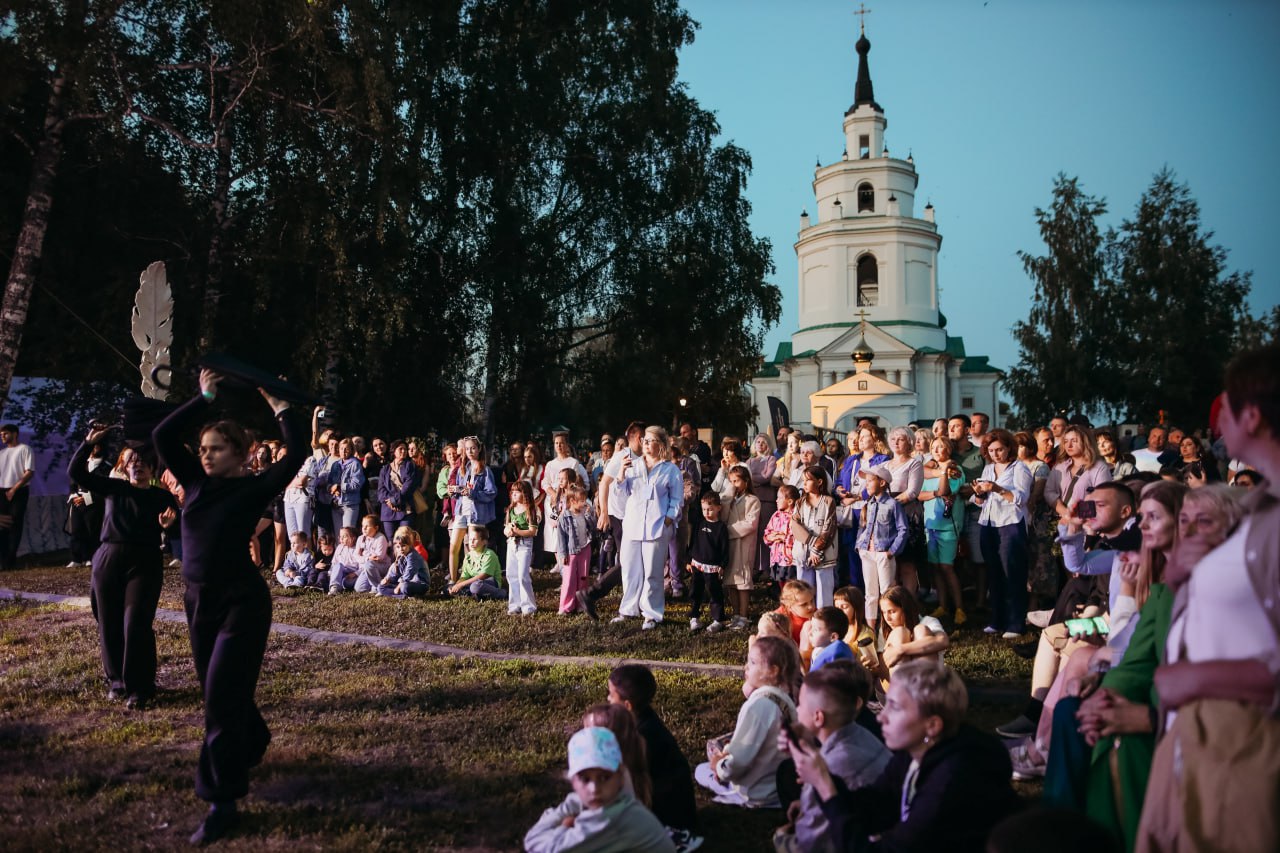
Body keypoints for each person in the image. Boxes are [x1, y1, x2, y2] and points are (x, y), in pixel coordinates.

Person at [1136, 345, 1280, 853]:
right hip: (1193, 731)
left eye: (1226, 403)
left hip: (1245, 736)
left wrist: (1196, 677)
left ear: (1253, 416)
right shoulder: (1253, 510)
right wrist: (1179, 580)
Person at [152, 368, 304, 844]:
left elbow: (295, 452)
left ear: (239, 454)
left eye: (216, 447)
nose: (205, 454)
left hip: (242, 602)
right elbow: (161, 434)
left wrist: (279, 407)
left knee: (218, 698)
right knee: (222, 691)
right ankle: (253, 737)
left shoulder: (252, 487)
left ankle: (221, 800)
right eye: (203, 448)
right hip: (198, 602)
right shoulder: (194, 483)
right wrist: (204, 398)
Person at [788, 660, 1020, 852]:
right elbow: (876, 806)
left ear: (932, 725)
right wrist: (824, 783)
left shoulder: (951, 782)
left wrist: (825, 787)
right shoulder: (913, 754)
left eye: (895, 708)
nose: (881, 718)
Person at [68, 429, 178, 709]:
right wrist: (88, 444)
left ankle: (140, 687)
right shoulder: (114, 488)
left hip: (145, 561)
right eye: (132, 460)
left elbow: (178, 529)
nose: (137, 463)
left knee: (136, 623)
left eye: (143, 460)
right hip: (109, 558)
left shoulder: (161, 498)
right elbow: (77, 473)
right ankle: (117, 682)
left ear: (152, 468)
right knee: (109, 622)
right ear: (124, 467)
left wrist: (168, 527)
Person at [773, 663, 892, 853]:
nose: (797, 707)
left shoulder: (832, 765)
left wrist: (782, 838)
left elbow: (810, 844)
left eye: (802, 704)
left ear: (818, 717)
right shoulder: (862, 735)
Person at [524, 726, 675, 853]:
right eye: (585, 779)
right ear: (573, 782)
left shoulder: (612, 819)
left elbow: (535, 843)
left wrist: (563, 825)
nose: (594, 788)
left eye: (604, 778)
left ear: (620, 777)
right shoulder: (621, 801)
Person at [694, 636, 800, 808]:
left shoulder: (758, 706)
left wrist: (719, 766)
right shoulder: (785, 699)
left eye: (752, 662)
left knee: (701, 771)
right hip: (778, 783)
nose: (746, 667)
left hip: (758, 792)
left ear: (773, 671)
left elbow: (740, 761)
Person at [607, 664, 700, 850]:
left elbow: (634, 784)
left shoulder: (644, 737)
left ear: (627, 705)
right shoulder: (642, 718)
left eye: (611, 695)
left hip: (667, 815)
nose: (608, 699)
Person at [612, 426, 682, 630]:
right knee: (630, 570)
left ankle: (652, 613)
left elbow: (677, 500)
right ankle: (628, 609)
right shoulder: (632, 466)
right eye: (645, 440)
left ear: (661, 444)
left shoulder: (670, 469)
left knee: (653, 572)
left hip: (656, 527)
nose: (646, 444)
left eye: (651, 440)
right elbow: (620, 494)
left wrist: (667, 520)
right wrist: (621, 473)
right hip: (633, 525)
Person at [971, 429, 1034, 638]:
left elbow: (1021, 498)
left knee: (1013, 574)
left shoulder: (1020, 469)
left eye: (999, 450)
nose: (996, 454)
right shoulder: (988, 469)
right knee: (993, 573)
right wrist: (979, 494)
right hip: (988, 523)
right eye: (991, 450)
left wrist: (997, 488)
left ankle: (1016, 623)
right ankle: (997, 620)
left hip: (1010, 523)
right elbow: (980, 502)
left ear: (1009, 448)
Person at [855, 465, 907, 633]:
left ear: (882, 482)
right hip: (867, 553)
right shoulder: (869, 504)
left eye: (871, 481)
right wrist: (859, 546)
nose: (867, 484)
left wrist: (892, 551)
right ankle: (871, 628)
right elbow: (862, 527)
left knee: (886, 592)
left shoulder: (892, 504)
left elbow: (903, 529)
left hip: (884, 554)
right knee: (870, 593)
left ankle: (888, 628)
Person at [919, 437, 966, 624]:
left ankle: (960, 608)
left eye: (941, 447)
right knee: (936, 568)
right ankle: (943, 605)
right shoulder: (928, 471)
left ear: (949, 449)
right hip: (930, 526)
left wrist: (944, 472)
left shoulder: (956, 470)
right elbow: (920, 495)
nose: (937, 450)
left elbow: (946, 491)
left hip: (948, 526)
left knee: (947, 567)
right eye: (934, 447)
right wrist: (935, 493)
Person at [877, 586, 949, 683]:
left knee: (920, 630)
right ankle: (903, 693)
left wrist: (900, 649)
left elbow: (943, 641)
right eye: (883, 612)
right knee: (900, 633)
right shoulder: (885, 630)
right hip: (893, 688)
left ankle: (925, 691)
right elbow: (882, 670)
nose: (887, 618)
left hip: (929, 684)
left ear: (905, 609)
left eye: (892, 612)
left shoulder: (928, 622)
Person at [792, 466, 838, 608]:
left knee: (824, 589)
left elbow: (828, 528)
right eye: (803, 481)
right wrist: (811, 544)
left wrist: (816, 550)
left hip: (823, 554)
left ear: (819, 482)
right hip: (804, 553)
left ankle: (825, 620)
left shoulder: (828, 502)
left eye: (808, 480)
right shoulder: (799, 503)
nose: (804, 484)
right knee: (804, 589)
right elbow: (795, 525)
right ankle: (806, 619)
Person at [724, 467, 761, 629]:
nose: (734, 485)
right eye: (731, 481)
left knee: (743, 581)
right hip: (730, 545)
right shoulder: (728, 500)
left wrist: (728, 531)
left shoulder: (752, 500)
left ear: (746, 482)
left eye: (737, 481)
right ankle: (736, 614)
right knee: (731, 580)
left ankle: (744, 616)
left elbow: (750, 524)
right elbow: (723, 516)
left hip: (744, 543)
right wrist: (727, 497)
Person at [688, 491, 729, 633]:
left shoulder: (721, 528)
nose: (707, 512)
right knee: (695, 591)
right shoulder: (699, 523)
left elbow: (725, 549)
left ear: (719, 508)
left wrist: (722, 565)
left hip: (713, 568)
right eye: (704, 509)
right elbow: (692, 542)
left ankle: (718, 619)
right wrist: (689, 560)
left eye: (710, 509)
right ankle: (694, 617)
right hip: (697, 565)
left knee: (715, 593)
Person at [66, 438, 108, 567]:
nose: (95, 449)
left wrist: (88, 498)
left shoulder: (106, 466)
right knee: (77, 529)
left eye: (97, 446)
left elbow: (105, 487)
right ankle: (76, 558)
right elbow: (73, 481)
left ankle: (91, 557)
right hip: (78, 501)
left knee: (93, 531)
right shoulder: (81, 464)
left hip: (95, 503)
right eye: (93, 446)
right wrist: (74, 496)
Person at [0, 423, 35, 571]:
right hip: (2, 490)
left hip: (19, 490)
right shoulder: (1, 454)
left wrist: (14, 489)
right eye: (1, 435)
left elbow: (29, 472)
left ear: (14, 434)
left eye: (5, 433)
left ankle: (10, 562)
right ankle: (2, 561)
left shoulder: (25, 449)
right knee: (2, 525)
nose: (2, 437)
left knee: (14, 524)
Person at [557, 483, 595, 615]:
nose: (585, 503)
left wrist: (590, 516)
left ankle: (581, 604)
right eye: (582, 500)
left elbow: (592, 528)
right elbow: (561, 538)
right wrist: (563, 554)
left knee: (583, 577)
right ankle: (566, 606)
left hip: (585, 548)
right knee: (569, 579)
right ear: (572, 501)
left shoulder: (585, 514)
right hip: (571, 551)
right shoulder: (564, 517)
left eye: (585, 500)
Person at [504, 480, 540, 616]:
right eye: (512, 491)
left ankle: (529, 606)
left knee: (522, 575)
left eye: (517, 491)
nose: (513, 494)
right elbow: (506, 527)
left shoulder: (530, 510)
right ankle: (514, 605)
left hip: (525, 544)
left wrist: (517, 532)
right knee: (511, 574)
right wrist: (508, 532)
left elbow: (532, 531)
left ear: (524, 493)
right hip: (512, 544)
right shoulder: (511, 510)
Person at [447, 524, 506, 599]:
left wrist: (461, 585)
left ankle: (501, 593)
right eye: (470, 539)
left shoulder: (489, 554)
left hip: (487, 582)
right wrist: (456, 585)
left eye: (475, 539)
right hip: (472, 582)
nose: (471, 542)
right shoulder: (468, 556)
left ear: (484, 542)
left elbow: (483, 575)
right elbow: (464, 577)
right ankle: (474, 595)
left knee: (475, 586)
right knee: (448, 588)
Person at [376, 440, 417, 540]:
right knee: (390, 540)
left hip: (405, 508)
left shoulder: (410, 466)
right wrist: (390, 502)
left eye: (405, 449)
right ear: (394, 451)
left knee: (404, 539)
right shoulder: (385, 469)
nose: (403, 451)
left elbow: (409, 486)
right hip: (388, 510)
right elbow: (381, 490)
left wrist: (395, 500)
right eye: (400, 449)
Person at [377, 527, 431, 598]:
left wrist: (399, 586)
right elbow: (394, 570)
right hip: (405, 582)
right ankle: (402, 595)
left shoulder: (413, 556)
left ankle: (401, 594)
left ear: (409, 545)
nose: (401, 549)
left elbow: (409, 573)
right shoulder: (401, 555)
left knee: (404, 587)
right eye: (398, 547)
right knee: (380, 587)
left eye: (403, 546)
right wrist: (387, 578)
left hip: (419, 583)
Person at [329, 438, 366, 533]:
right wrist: (331, 488)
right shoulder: (335, 465)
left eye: (347, 449)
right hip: (336, 504)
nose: (343, 451)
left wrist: (340, 487)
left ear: (351, 450)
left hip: (350, 504)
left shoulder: (355, 464)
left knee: (348, 534)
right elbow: (329, 483)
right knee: (338, 536)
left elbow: (357, 484)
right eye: (341, 448)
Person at [809, 606, 854, 672]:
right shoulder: (817, 650)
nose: (810, 633)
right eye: (811, 627)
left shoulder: (836, 658)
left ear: (833, 637)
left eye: (815, 630)